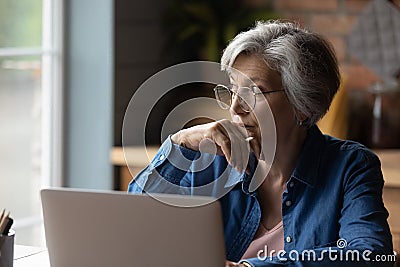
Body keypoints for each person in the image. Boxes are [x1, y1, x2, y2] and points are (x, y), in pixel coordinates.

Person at [128, 21, 394, 266]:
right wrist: (180, 141)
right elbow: (133, 226)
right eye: (232, 90)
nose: (235, 107)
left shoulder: (349, 165)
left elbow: (371, 254)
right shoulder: (211, 160)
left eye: (254, 92)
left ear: (301, 104)